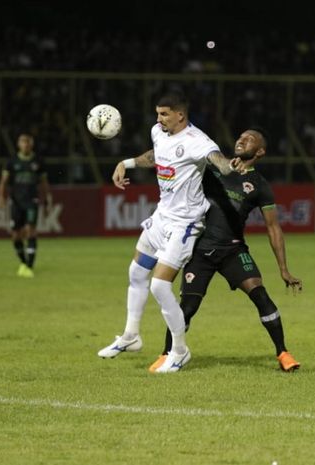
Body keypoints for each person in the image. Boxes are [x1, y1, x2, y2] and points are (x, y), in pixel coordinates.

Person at [97, 90, 246, 373]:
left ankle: (179, 350)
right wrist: (125, 163)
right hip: (161, 217)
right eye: (157, 113)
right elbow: (156, 155)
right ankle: (131, 336)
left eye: (164, 114)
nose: (159, 119)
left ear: (180, 115)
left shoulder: (197, 141)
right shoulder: (158, 131)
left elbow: (220, 163)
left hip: (185, 224)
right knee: (136, 273)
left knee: (159, 286)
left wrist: (231, 165)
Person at [146, 128, 303, 373]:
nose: (241, 139)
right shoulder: (212, 169)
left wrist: (284, 269)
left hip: (233, 251)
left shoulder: (260, 186)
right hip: (200, 250)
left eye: (249, 139)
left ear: (260, 151)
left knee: (260, 296)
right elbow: (174, 163)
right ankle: (167, 354)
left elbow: (273, 227)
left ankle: (283, 353)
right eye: (240, 136)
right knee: (187, 307)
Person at [0, 133, 52, 278]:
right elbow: (3, 182)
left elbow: (44, 183)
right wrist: (1, 197)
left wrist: (46, 199)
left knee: (31, 230)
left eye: (28, 143)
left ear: (31, 144)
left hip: (32, 201)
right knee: (16, 234)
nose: (25, 145)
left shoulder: (38, 161)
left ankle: (29, 266)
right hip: (16, 202)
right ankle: (23, 262)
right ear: (19, 145)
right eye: (23, 142)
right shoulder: (12, 162)